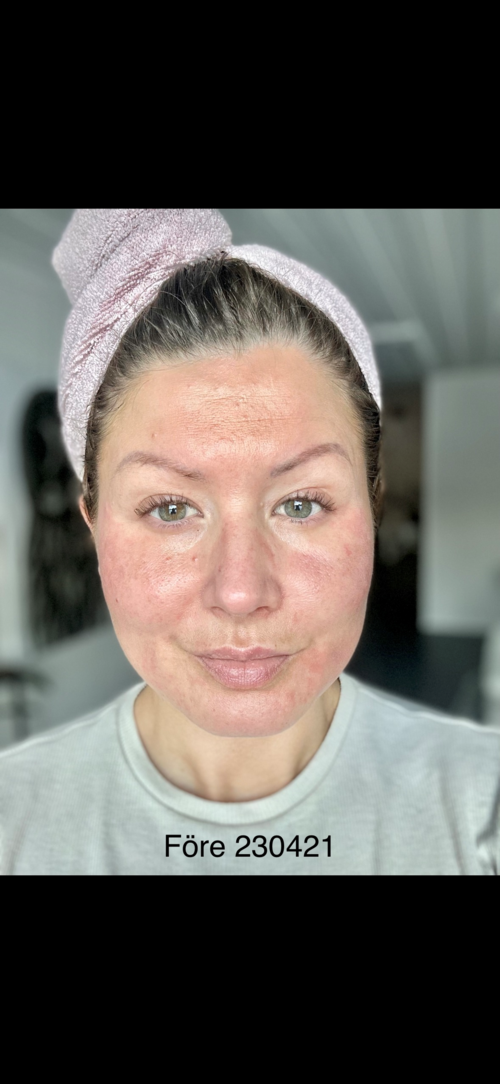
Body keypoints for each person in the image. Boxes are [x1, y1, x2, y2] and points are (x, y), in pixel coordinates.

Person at [0, 208, 498, 876]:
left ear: (372, 508)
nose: (240, 592)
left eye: (300, 504)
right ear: (94, 524)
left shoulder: (480, 809)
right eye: (170, 508)